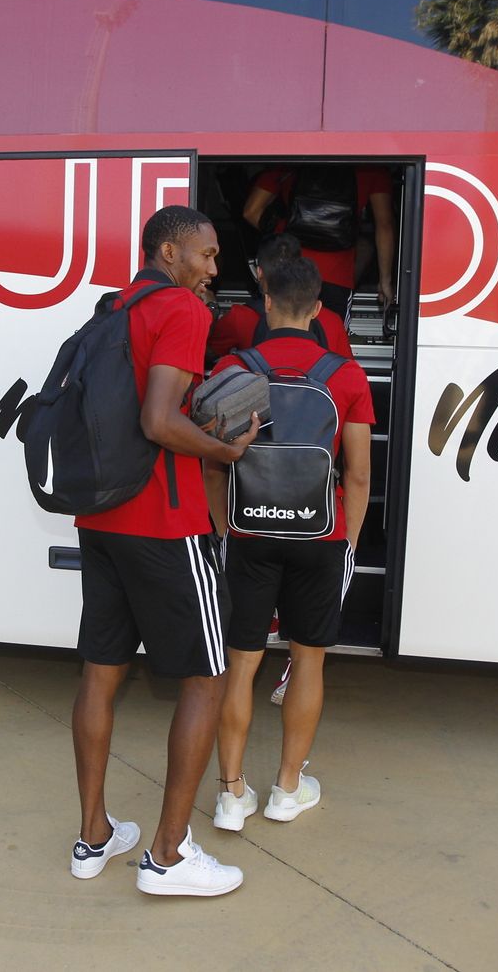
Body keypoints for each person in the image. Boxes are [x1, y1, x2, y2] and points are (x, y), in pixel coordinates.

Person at [69, 205, 260, 898]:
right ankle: (168, 856)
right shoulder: (181, 308)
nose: (214, 268)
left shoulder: (114, 306)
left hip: (101, 516)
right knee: (207, 677)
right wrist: (224, 448)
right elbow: (158, 420)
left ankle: (94, 837)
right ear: (169, 250)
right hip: (166, 522)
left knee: (101, 673)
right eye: (206, 255)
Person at [202, 255, 374, 832]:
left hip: (250, 532)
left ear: (265, 302)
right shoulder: (345, 375)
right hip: (319, 536)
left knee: (242, 663)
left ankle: (230, 795)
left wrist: (227, 529)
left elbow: (212, 465)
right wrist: (345, 543)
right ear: (320, 310)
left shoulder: (232, 368)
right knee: (307, 661)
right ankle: (287, 789)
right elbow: (357, 475)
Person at [242, 165, 397, 318]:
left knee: (283, 339)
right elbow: (384, 226)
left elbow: (251, 211)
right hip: (337, 276)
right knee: (329, 339)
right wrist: (385, 281)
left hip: (288, 270)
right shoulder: (372, 166)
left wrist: (284, 232)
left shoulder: (289, 158)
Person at [206, 232, 355, 365]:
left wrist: (210, 308)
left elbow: (207, 355)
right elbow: (347, 374)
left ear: (259, 272)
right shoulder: (332, 321)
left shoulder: (239, 317)